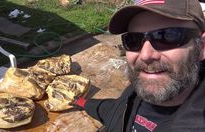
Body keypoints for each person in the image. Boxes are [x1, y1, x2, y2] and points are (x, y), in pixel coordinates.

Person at [73, 0, 205, 131]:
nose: (145, 55)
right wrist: (84, 103)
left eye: (167, 36)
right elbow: (116, 111)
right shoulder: (136, 91)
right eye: (133, 40)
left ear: (202, 47)